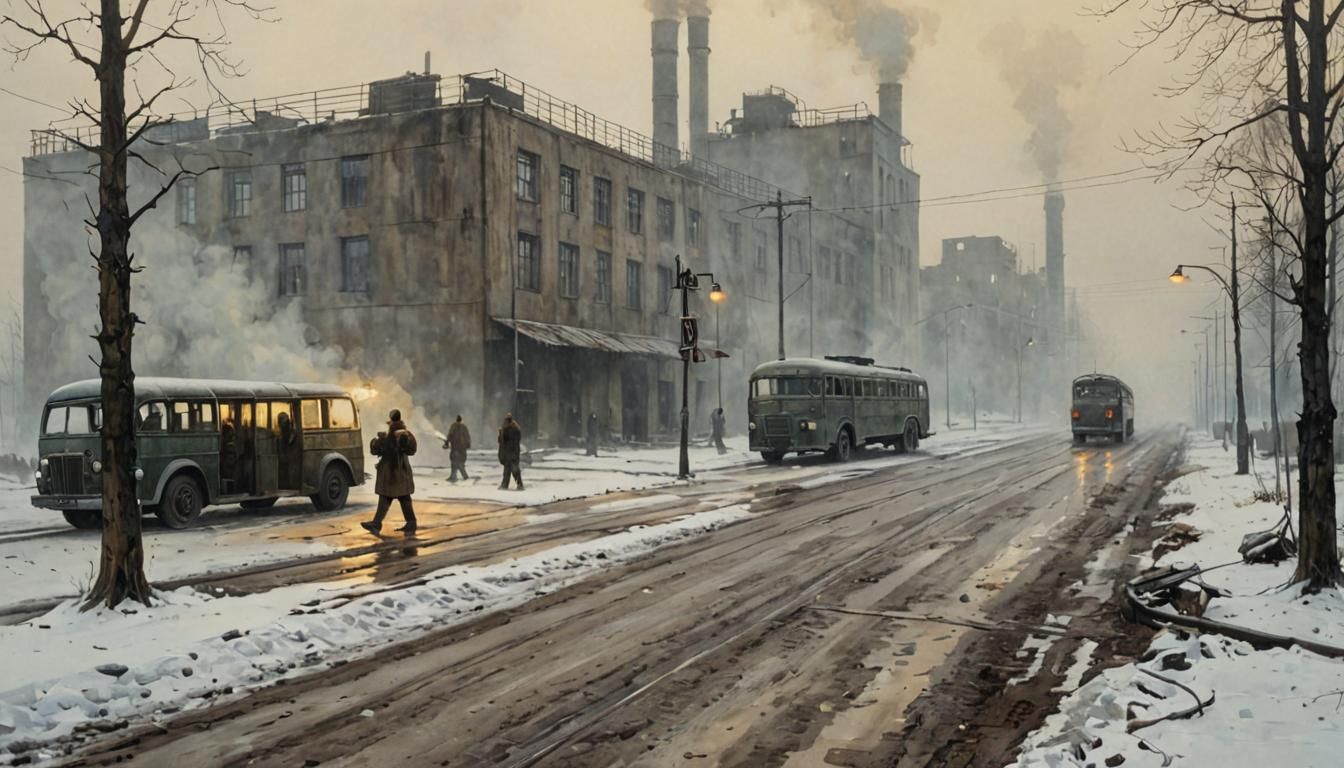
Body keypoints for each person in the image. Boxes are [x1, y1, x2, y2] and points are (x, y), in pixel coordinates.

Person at [362, 409, 419, 535]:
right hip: (402, 470)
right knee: (403, 497)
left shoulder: (392, 434)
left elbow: (380, 450)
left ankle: (377, 524)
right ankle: (411, 522)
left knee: (386, 496)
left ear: (391, 419)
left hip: (392, 472)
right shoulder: (406, 433)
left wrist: (377, 441)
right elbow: (412, 449)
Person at [497, 413, 524, 490]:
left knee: (514, 471)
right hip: (508, 453)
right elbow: (501, 441)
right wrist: (500, 433)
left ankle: (518, 485)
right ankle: (505, 485)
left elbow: (510, 442)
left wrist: (514, 454)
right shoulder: (509, 429)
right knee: (508, 471)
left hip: (511, 454)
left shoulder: (513, 429)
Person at [445, 414, 471, 482]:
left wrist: (447, 442)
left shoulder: (454, 426)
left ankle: (459, 476)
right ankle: (455, 476)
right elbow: (467, 437)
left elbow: (450, 435)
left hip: (456, 447)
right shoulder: (464, 427)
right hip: (462, 448)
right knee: (459, 462)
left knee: (455, 462)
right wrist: (468, 445)